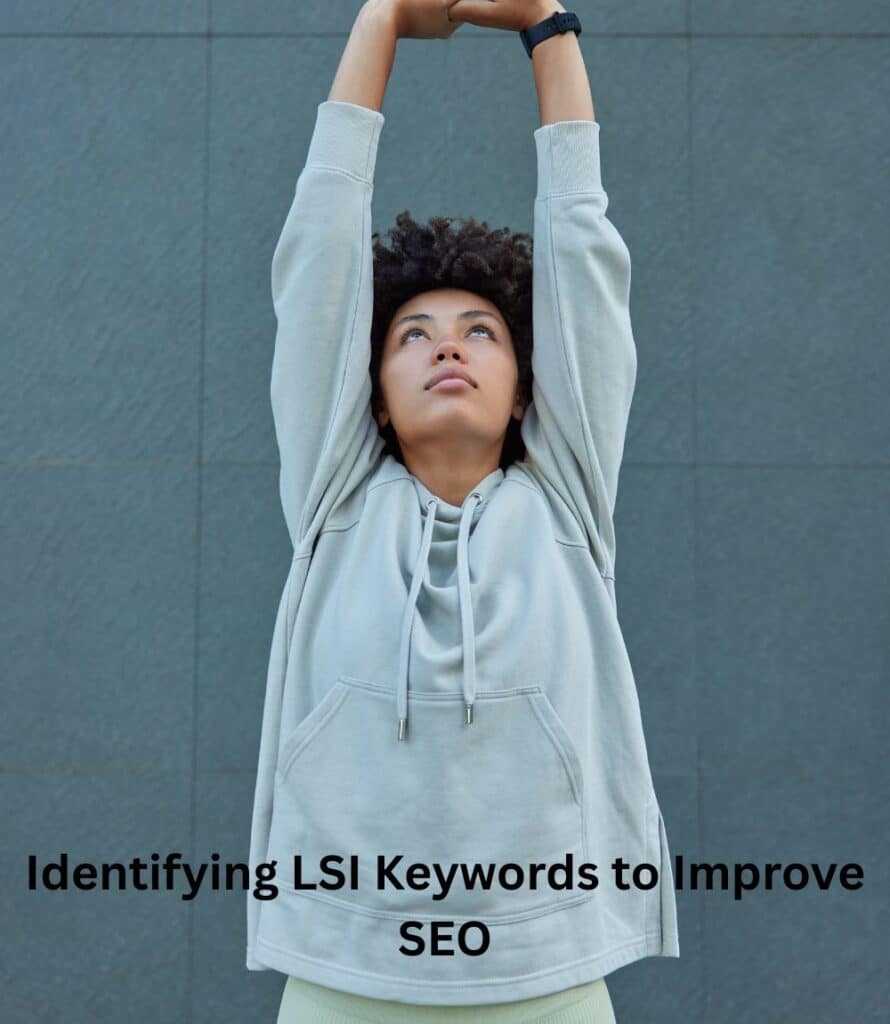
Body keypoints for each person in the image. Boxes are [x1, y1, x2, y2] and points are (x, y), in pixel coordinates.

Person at [247, 1, 680, 1020]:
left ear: (526, 387)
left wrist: (545, 23)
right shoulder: (334, 499)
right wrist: (381, 19)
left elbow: (581, 248)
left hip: (549, 972)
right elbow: (319, 246)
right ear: (371, 390)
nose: (447, 346)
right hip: (343, 969)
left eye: (481, 330)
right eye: (414, 335)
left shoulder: (565, 500)